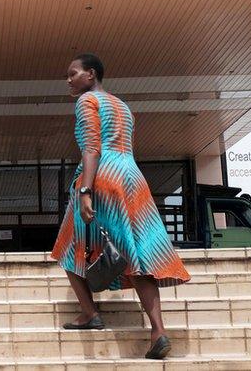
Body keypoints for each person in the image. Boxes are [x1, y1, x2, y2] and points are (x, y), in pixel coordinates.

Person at [51, 53, 191, 360]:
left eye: (73, 73)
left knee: (67, 247)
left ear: (91, 75)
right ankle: (158, 331)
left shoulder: (87, 102)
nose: (69, 79)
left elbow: (91, 148)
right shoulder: (122, 106)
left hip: (103, 175)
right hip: (132, 175)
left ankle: (89, 313)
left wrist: (85, 190)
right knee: (135, 251)